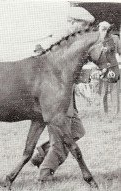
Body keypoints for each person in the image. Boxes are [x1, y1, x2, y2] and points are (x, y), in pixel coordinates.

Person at [31, 7, 97, 181]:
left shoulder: (73, 41)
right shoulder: (60, 40)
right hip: (56, 96)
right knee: (61, 138)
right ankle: (44, 174)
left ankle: (41, 154)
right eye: (84, 25)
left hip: (67, 95)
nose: (86, 28)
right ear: (73, 22)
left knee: (77, 130)